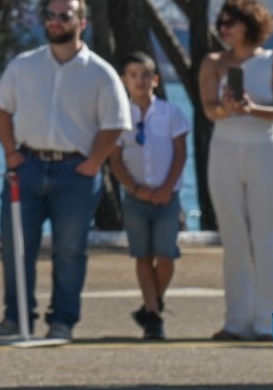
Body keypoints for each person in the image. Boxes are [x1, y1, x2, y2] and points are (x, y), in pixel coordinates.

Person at [0, 0, 127, 342]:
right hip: (26, 167)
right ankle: (17, 318)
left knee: (70, 251)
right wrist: (10, 153)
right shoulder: (23, 65)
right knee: (16, 248)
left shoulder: (101, 73)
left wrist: (94, 162)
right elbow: (2, 109)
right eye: (50, 15)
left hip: (76, 175)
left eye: (65, 16)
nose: (55, 21)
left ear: (82, 23)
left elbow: (115, 124)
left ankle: (62, 321)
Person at [200, 0, 273, 343]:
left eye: (230, 22)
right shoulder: (213, 63)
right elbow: (209, 110)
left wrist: (252, 109)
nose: (224, 29)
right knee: (233, 237)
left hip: (265, 147)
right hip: (225, 147)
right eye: (221, 23)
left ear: (250, 24)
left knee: (268, 236)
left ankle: (270, 321)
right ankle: (236, 321)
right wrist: (227, 109)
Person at [108, 50, 189, 341]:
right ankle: (153, 315)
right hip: (136, 198)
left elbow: (180, 153)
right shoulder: (120, 117)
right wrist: (136, 189)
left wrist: (166, 188)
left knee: (166, 254)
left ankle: (154, 300)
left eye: (145, 75)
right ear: (124, 80)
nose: (139, 81)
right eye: (133, 76)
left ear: (155, 80)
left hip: (167, 197)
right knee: (142, 255)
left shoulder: (171, 113)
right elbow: (115, 160)